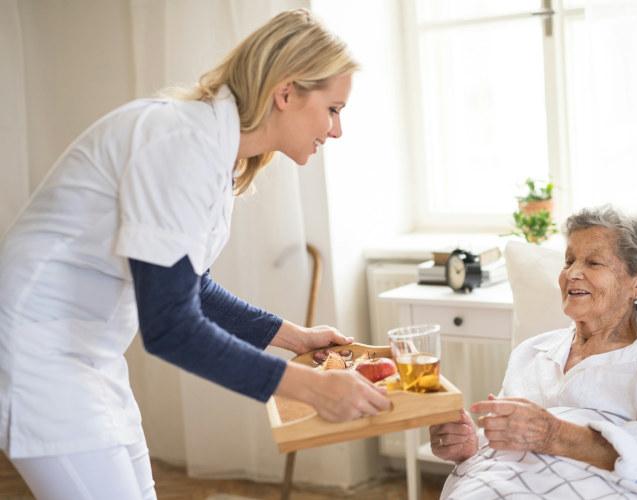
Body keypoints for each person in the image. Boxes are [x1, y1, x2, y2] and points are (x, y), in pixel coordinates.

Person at [0, 9, 390, 500]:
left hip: (88, 352)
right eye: (333, 109)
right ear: (286, 93)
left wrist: (294, 337)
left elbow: (191, 286)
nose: (336, 130)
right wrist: (310, 389)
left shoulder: (214, 149)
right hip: (39, 352)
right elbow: (170, 327)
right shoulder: (181, 144)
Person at [430, 206, 637, 499]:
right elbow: (506, 448)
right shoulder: (531, 353)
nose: (572, 274)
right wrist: (469, 447)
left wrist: (555, 435)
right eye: (568, 261)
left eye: (593, 263)